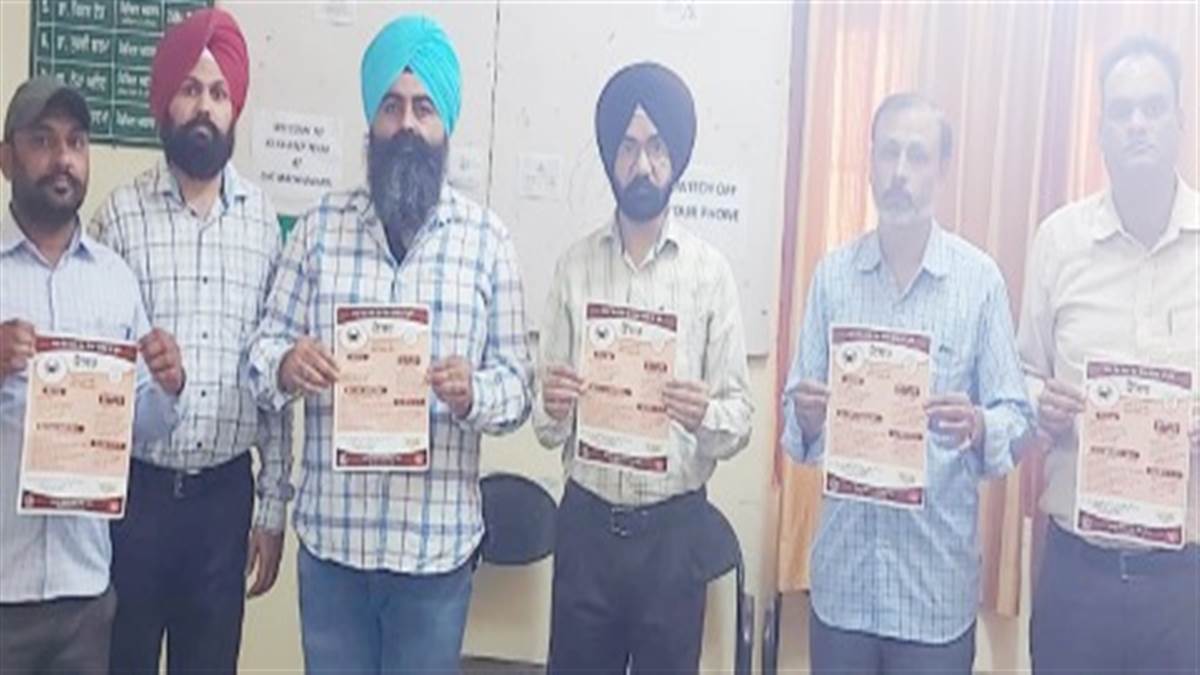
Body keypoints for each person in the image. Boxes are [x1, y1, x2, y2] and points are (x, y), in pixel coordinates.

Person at [245, 15, 532, 674]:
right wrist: (287, 364)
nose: (407, 125)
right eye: (392, 106)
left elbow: (519, 388)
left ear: (445, 125)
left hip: (434, 558)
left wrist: (473, 392)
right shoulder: (318, 230)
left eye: (424, 108)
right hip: (334, 553)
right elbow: (259, 358)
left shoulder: (487, 242)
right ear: (371, 121)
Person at [781, 93, 1032, 674]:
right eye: (888, 153)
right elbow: (796, 425)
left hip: (933, 594)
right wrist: (808, 417)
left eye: (917, 156)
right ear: (869, 162)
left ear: (942, 170)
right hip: (845, 589)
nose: (900, 173)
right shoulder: (833, 277)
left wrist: (979, 424)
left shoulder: (979, 282)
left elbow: (1018, 419)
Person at [88, 8, 292, 673]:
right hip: (135, 498)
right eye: (190, 89)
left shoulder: (263, 225)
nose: (205, 106)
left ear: (234, 109)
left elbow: (273, 376)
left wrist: (272, 508)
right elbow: (93, 367)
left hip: (223, 503)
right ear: (164, 102)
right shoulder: (118, 216)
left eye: (219, 93)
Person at [535, 61, 753, 675]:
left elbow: (739, 418)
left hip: (674, 535)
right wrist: (554, 405)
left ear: (675, 157)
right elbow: (545, 428)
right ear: (611, 158)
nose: (643, 164)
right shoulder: (574, 268)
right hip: (586, 527)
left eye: (657, 147)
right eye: (628, 147)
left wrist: (703, 414)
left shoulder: (709, 275)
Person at [1019, 35, 1199, 675]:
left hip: (1186, 585)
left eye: (1153, 107)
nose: (1138, 124)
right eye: (1122, 111)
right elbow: (1022, 374)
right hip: (1079, 576)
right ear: (1100, 132)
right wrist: (1041, 403)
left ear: (1181, 120)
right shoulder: (1059, 241)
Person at [0, 76, 185, 675]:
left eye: (76, 142)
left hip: (84, 593)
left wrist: (168, 386)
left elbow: (142, 425)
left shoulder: (115, 280)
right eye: (42, 140)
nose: (63, 158)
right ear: (6, 159)